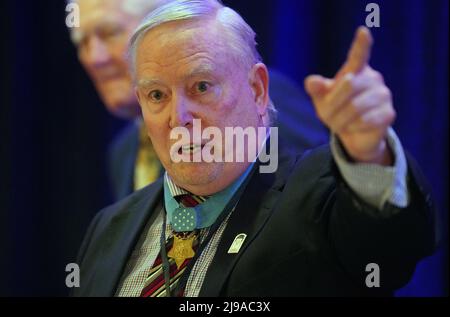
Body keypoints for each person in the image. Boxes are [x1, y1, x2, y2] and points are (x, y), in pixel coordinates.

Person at [72, 0, 436, 297]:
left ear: (259, 90)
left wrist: (368, 156)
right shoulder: (108, 228)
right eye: (156, 96)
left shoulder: (321, 190)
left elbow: (389, 250)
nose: (178, 117)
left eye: (201, 87)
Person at [69, 0, 328, 200]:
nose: (94, 58)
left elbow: (316, 199)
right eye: (83, 43)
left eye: (109, 33)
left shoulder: (260, 97)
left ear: (168, 22)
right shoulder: (123, 152)